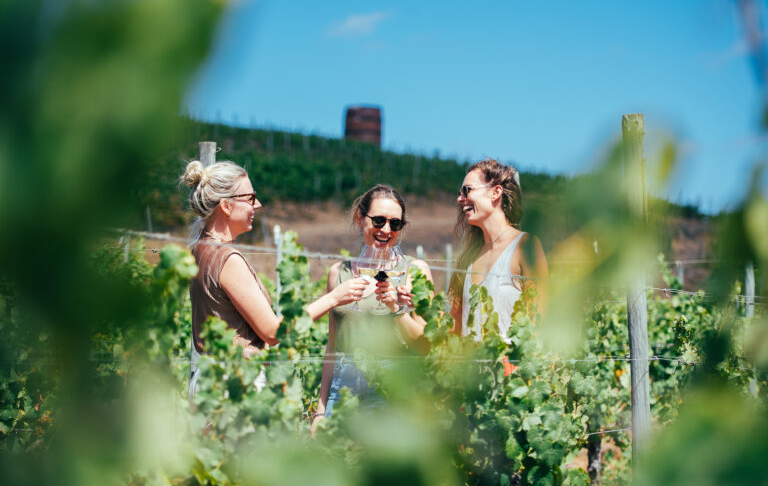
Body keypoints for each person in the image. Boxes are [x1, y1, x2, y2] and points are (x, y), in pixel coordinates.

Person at [181, 160, 366, 391]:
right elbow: (273, 332)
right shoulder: (228, 259)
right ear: (227, 206)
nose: (258, 205)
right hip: (235, 382)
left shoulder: (200, 250)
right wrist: (334, 298)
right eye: (250, 198)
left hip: (210, 380)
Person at [312, 185, 432, 432]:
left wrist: (396, 309)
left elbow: (426, 345)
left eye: (395, 224)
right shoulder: (339, 272)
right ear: (360, 218)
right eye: (378, 221)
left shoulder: (414, 271)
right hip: (343, 385)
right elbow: (333, 346)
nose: (386, 230)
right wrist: (321, 410)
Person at [448, 159, 548, 348]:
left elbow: (539, 324)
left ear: (495, 193)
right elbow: (454, 329)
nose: (460, 199)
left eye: (467, 190)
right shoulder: (468, 257)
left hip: (511, 366)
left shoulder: (525, 246)